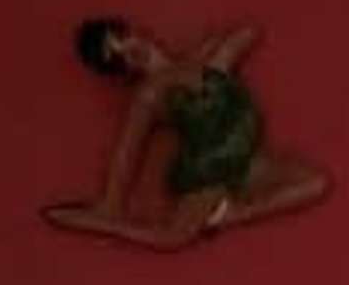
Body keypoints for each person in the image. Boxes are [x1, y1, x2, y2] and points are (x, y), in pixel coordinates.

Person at [47, 19, 328, 247]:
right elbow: (126, 152)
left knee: (315, 183)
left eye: (121, 37)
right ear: (121, 72)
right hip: (209, 167)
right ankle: (104, 224)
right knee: (171, 238)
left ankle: (227, 217)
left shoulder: (204, 58)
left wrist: (205, 62)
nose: (128, 50)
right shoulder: (149, 94)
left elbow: (249, 32)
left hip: (241, 156)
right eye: (117, 58)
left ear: (133, 29)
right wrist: (110, 203)